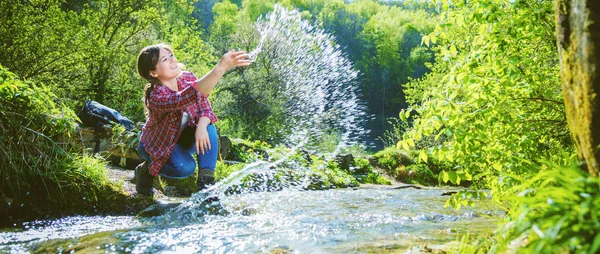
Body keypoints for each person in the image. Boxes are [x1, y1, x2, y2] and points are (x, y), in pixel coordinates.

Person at [135, 43, 250, 196]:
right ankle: (146, 170)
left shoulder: (187, 77)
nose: (172, 60)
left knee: (209, 128)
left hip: (181, 140)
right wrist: (220, 68)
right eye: (164, 60)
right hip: (157, 145)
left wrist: (202, 126)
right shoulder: (156, 96)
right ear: (154, 73)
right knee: (185, 168)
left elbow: (205, 108)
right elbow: (184, 97)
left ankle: (206, 184)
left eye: (171, 56)